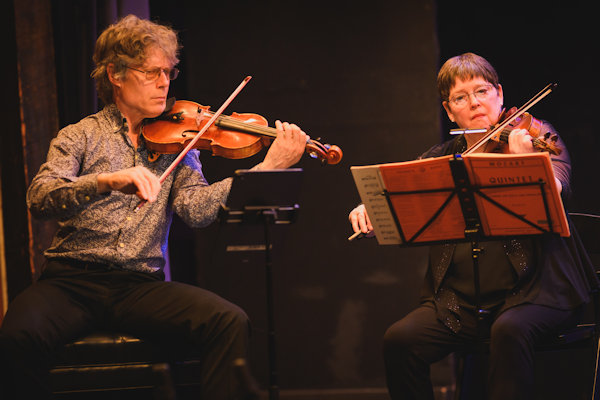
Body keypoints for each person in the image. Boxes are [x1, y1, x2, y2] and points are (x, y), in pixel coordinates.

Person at [0, 14, 308, 399]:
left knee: (229, 321)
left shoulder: (180, 142)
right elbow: (41, 197)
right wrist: (107, 181)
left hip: (138, 287)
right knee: (16, 336)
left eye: (168, 72)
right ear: (115, 74)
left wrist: (266, 168)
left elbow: (197, 209)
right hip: (70, 282)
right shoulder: (80, 136)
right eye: (151, 72)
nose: (164, 83)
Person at [348, 52, 599, 400]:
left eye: (482, 91)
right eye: (460, 98)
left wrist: (525, 160)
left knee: (508, 330)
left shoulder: (538, 135)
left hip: (539, 292)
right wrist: (371, 207)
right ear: (449, 110)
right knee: (400, 340)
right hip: (463, 303)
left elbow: (554, 189)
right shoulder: (443, 157)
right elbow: (398, 188)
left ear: (499, 93)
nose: (475, 103)